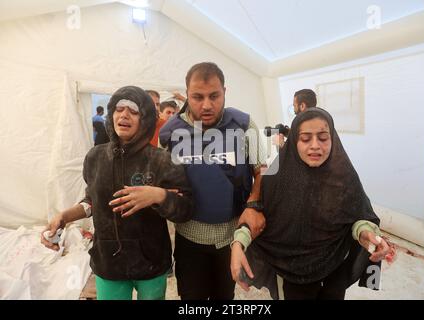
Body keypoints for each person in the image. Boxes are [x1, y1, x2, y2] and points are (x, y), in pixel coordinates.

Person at [41, 86, 193, 300]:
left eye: (133, 111)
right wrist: (64, 217)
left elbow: (185, 209)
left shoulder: (162, 160)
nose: (124, 114)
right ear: (111, 114)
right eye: (119, 108)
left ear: (146, 119)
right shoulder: (95, 157)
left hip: (151, 262)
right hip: (109, 263)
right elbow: (92, 202)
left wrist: (158, 195)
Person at [230, 107, 390, 300]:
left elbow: (357, 215)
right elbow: (255, 218)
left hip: (334, 270)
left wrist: (365, 233)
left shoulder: (345, 177)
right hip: (290, 276)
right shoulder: (276, 181)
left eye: (323, 138)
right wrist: (239, 244)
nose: (315, 145)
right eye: (305, 139)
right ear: (294, 142)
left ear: (333, 139)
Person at [159, 62, 266, 300]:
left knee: (223, 297)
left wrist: (253, 204)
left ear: (225, 92)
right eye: (197, 97)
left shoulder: (245, 125)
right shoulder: (169, 133)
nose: (206, 105)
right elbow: (162, 182)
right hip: (188, 239)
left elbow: (262, 171)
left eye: (214, 96)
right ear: (186, 95)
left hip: (230, 237)